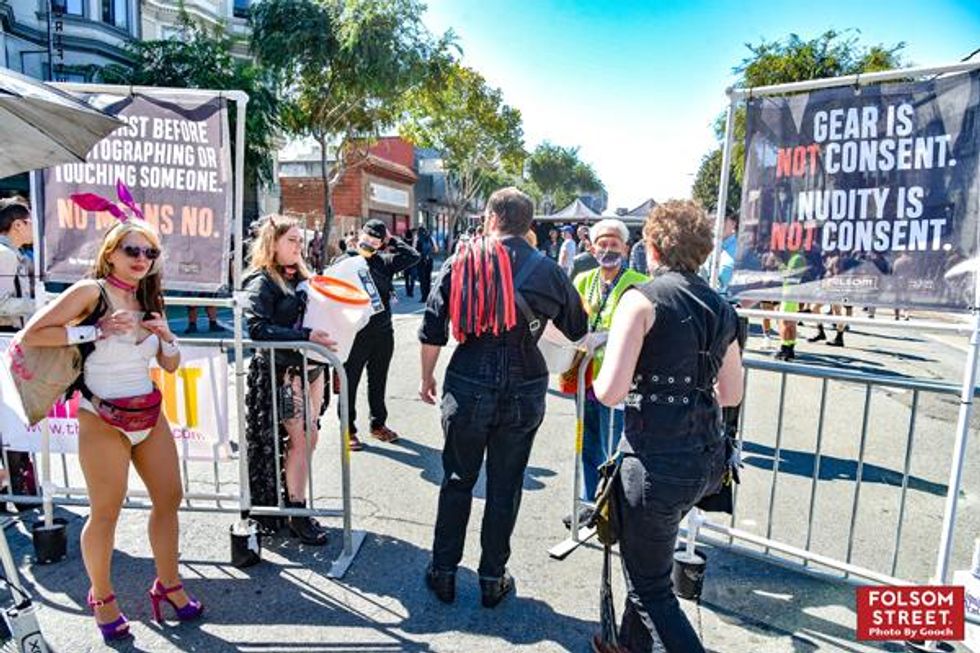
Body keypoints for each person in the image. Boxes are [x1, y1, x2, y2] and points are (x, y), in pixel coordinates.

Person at [20, 205, 205, 642]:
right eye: (132, 249)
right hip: (101, 415)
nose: (142, 258)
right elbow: (33, 334)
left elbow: (172, 366)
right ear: (110, 254)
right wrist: (93, 330)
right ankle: (101, 597)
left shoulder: (148, 297)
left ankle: (168, 584)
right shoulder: (92, 291)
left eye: (150, 252)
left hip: (147, 412)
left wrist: (167, 338)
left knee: (169, 498)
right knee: (106, 510)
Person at [419, 187, 588, 608]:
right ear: (529, 225)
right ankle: (493, 577)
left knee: (458, 479)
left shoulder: (462, 261)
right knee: (506, 484)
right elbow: (577, 326)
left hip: (469, 380)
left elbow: (432, 330)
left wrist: (426, 378)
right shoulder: (548, 270)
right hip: (524, 385)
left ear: (491, 218)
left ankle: (443, 571)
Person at [593, 199, 743, 652]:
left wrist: (592, 368)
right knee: (648, 565)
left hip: (655, 463)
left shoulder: (640, 300)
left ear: (652, 248)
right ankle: (627, 646)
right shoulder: (721, 307)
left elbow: (610, 392)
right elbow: (731, 393)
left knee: (651, 589)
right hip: (703, 460)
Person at [242, 215, 338, 545]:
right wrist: (304, 335)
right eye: (291, 240)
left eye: (300, 240)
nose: (299, 246)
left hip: (311, 370)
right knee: (301, 440)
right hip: (282, 372)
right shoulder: (262, 282)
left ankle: (294, 503)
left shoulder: (302, 276)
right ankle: (297, 511)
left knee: (309, 438)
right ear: (273, 243)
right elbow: (256, 330)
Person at [564, 219, 647, 529]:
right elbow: (569, 317)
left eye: (615, 244)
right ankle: (590, 503)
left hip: (618, 378)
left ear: (625, 248)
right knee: (587, 444)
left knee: (616, 448)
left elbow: (644, 327)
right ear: (591, 247)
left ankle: (616, 509)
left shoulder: (639, 282)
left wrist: (608, 335)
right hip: (585, 378)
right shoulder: (583, 279)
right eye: (602, 243)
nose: (608, 249)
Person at [343, 219, 420, 447]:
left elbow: (413, 256)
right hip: (354, 334)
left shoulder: (384, 262)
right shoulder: (345, 262)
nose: (369, 244)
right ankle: (347, 430)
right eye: (366, 239)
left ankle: (378, 425)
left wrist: (391, 239)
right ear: (359, 236)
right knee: (350, 382)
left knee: (378, 381)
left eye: (375, 241)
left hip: (383, 333)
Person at [0, 197, 38, 506]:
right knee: (13, 418)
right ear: (17, 225)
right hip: (6, 341)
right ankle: (18, 487)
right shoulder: (5, 256)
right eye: (30, 221)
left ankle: (16, 486)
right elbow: (1, 304)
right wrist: (38, 304)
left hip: (9, 339)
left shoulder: (13, 254)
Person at [413, 224, 439, 301]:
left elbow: (413, 249)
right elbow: (436, 249)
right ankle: (429, 296)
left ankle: (424, 296)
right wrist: (430, 252)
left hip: (420, 261)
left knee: (422, 279)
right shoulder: (431, 238)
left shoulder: (417, 238)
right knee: (428, 278)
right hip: (429, 260)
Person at [403, 228, 417, 298]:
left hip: (405, 262)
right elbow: (414, 250)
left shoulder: (404, 242)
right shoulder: (413, 242)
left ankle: (408, 291)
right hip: (412, 262)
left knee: (406, 278)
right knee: (412, 278)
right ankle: (411, 291)